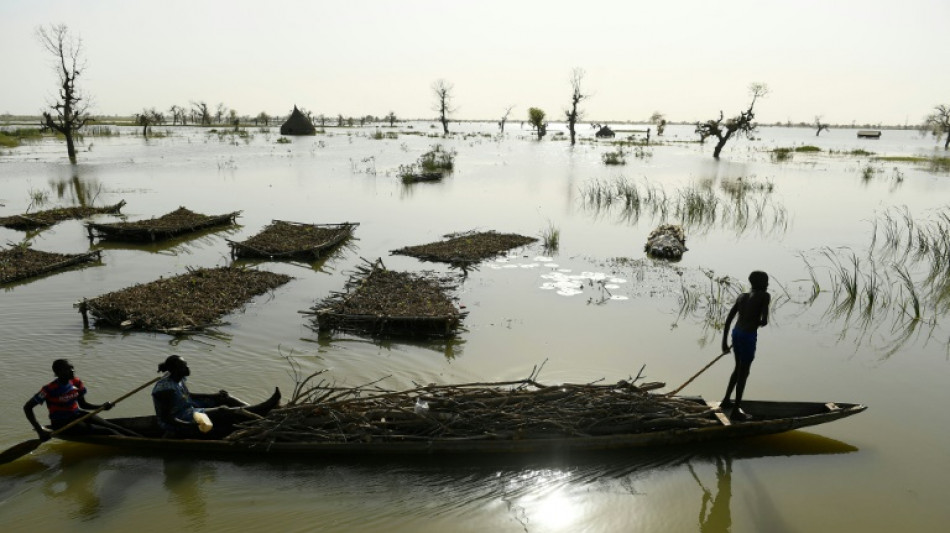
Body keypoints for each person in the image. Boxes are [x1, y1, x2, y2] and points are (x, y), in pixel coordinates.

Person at [151, 355, 280, 439]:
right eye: (184, 366)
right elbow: (167, 418)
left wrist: (214, 396)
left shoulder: (177, 378)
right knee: (221, 411)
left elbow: (187, 396)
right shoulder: (165, 390)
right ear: (176, 369)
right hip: (179, 418)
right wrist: (189, 426)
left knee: (224, 398)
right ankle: (260, 411)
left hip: (187, 406)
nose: (188, 367)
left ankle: (255, 411)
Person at [24, 359, 135, 440]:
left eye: (72, 367)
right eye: (68, 369)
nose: (72, 370)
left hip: (77, 414)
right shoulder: (49, 389)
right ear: (58, 373)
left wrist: (102, 407)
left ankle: (141, 438)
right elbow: (27, 408)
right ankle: (134, 445)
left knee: (112, 426)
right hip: (62, 423)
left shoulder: (76, 382)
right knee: (108, 431)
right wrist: (39, 431)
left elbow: (83, 405)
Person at [720, 271, 771, 420]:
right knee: (744, 372)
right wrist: (758, 322)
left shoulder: (742, 297)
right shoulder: (764, 296)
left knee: (737, 368)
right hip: (748, 336)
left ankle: (725, 401)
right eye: (766, 282)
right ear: (762, 284)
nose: (767, 285)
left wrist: (724, 342)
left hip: (736, 333)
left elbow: (729, 319)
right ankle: (736, 410)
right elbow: (764, 320)